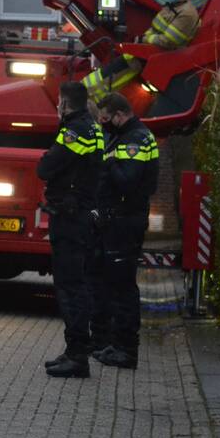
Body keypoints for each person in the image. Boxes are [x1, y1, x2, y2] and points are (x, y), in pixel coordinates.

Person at [37, 81, 104, 378]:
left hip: (70, 217)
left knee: (70, 287)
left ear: (64, 103)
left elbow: (46, 168)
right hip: (81, 216)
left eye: (59, 102)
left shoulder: (73, 132)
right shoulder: (93, 129)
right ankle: (73, 350)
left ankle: (77, 356)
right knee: (76, 284)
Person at [89, 92, 159, 370]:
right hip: (117, 220)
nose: (104, 123)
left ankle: (127, 350)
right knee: (113, 284)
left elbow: (128, 181)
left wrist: (108, 162)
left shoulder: (135, 140)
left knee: (123, 287)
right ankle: (116, 344)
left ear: (119, 115)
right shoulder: (125, 136)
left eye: (106, 118)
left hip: (126, 220)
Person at [82, 0, 201, 101]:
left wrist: (144, 40)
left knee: (107, 81)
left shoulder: (187, 14)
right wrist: (141, 40)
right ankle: (88, 96)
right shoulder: (172, 7)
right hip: (143, 53)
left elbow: (169, 41)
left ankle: (87, 97)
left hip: (153, 56)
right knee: (107, 77)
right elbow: (155, 29)